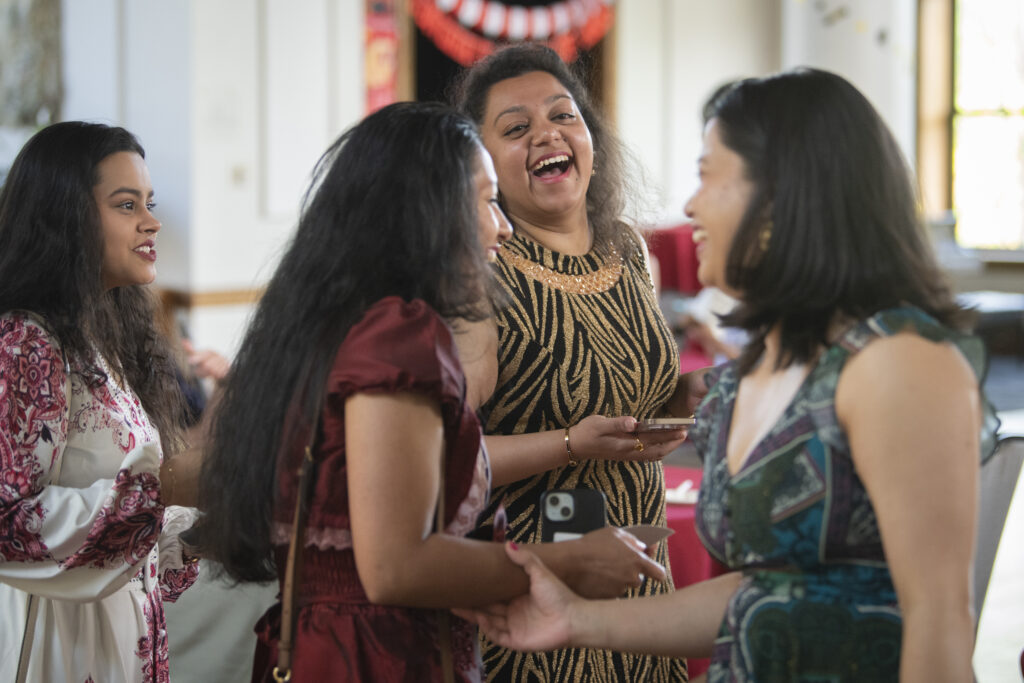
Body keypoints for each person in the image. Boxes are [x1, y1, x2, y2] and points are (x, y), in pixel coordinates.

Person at [454, 68, 1000, 682]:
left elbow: (939, 619)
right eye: (517, 127)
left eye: (708, 174)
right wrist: (577, 620)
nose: (688, 205)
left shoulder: (898, 361)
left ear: (781, 197)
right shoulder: (771, 364)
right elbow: (759, 596)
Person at [190, 101, 665, 683]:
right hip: (374, 655)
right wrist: (571, 562)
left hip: (332, 644)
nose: (504, 226)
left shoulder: (339, 323)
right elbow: (397, 567)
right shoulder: (397, 334)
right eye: (488, 201)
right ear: (429, 213)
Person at [453, 43, 694, 681]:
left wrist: (679, 399)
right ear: (481, 164)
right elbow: (446, 457)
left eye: (564, 116)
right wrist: (568, 445)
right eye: (515, 128)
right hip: (537, 589)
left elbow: (632, 395)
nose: (546, 135)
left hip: (641, 578)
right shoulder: (479, 274)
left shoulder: (630, 250)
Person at [0, 121, 202, 682]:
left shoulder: (95, 339)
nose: (152, 221)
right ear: (66, 216)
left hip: (115, 640)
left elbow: (128, 542)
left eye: (149, 202)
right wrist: (168, 485)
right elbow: (6, 523)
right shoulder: (26, 341)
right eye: (125, 204)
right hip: (54, 648)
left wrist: (205, 526)